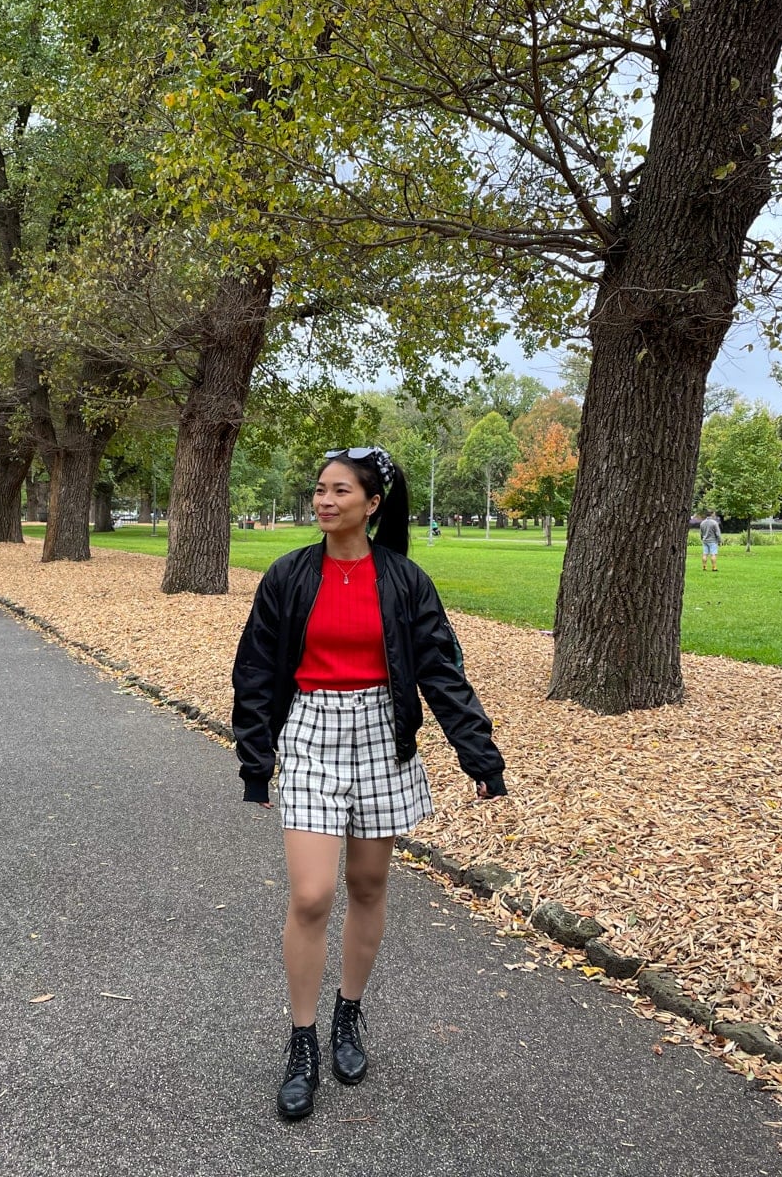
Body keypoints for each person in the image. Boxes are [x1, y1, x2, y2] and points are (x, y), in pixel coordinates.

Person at [232, 445, 507, 1122]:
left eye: (340, 492)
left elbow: (440, 669)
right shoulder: (290, 576)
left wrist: (480, 757)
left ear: (373, 503)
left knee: (368, 885)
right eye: (319, 490)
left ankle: (347, 1016)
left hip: (383, 736)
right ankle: (301, 1043)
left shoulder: (404, 580)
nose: (324, 501)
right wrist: (255, 758)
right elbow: (257, 668)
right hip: (312, 734)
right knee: (312, 894)